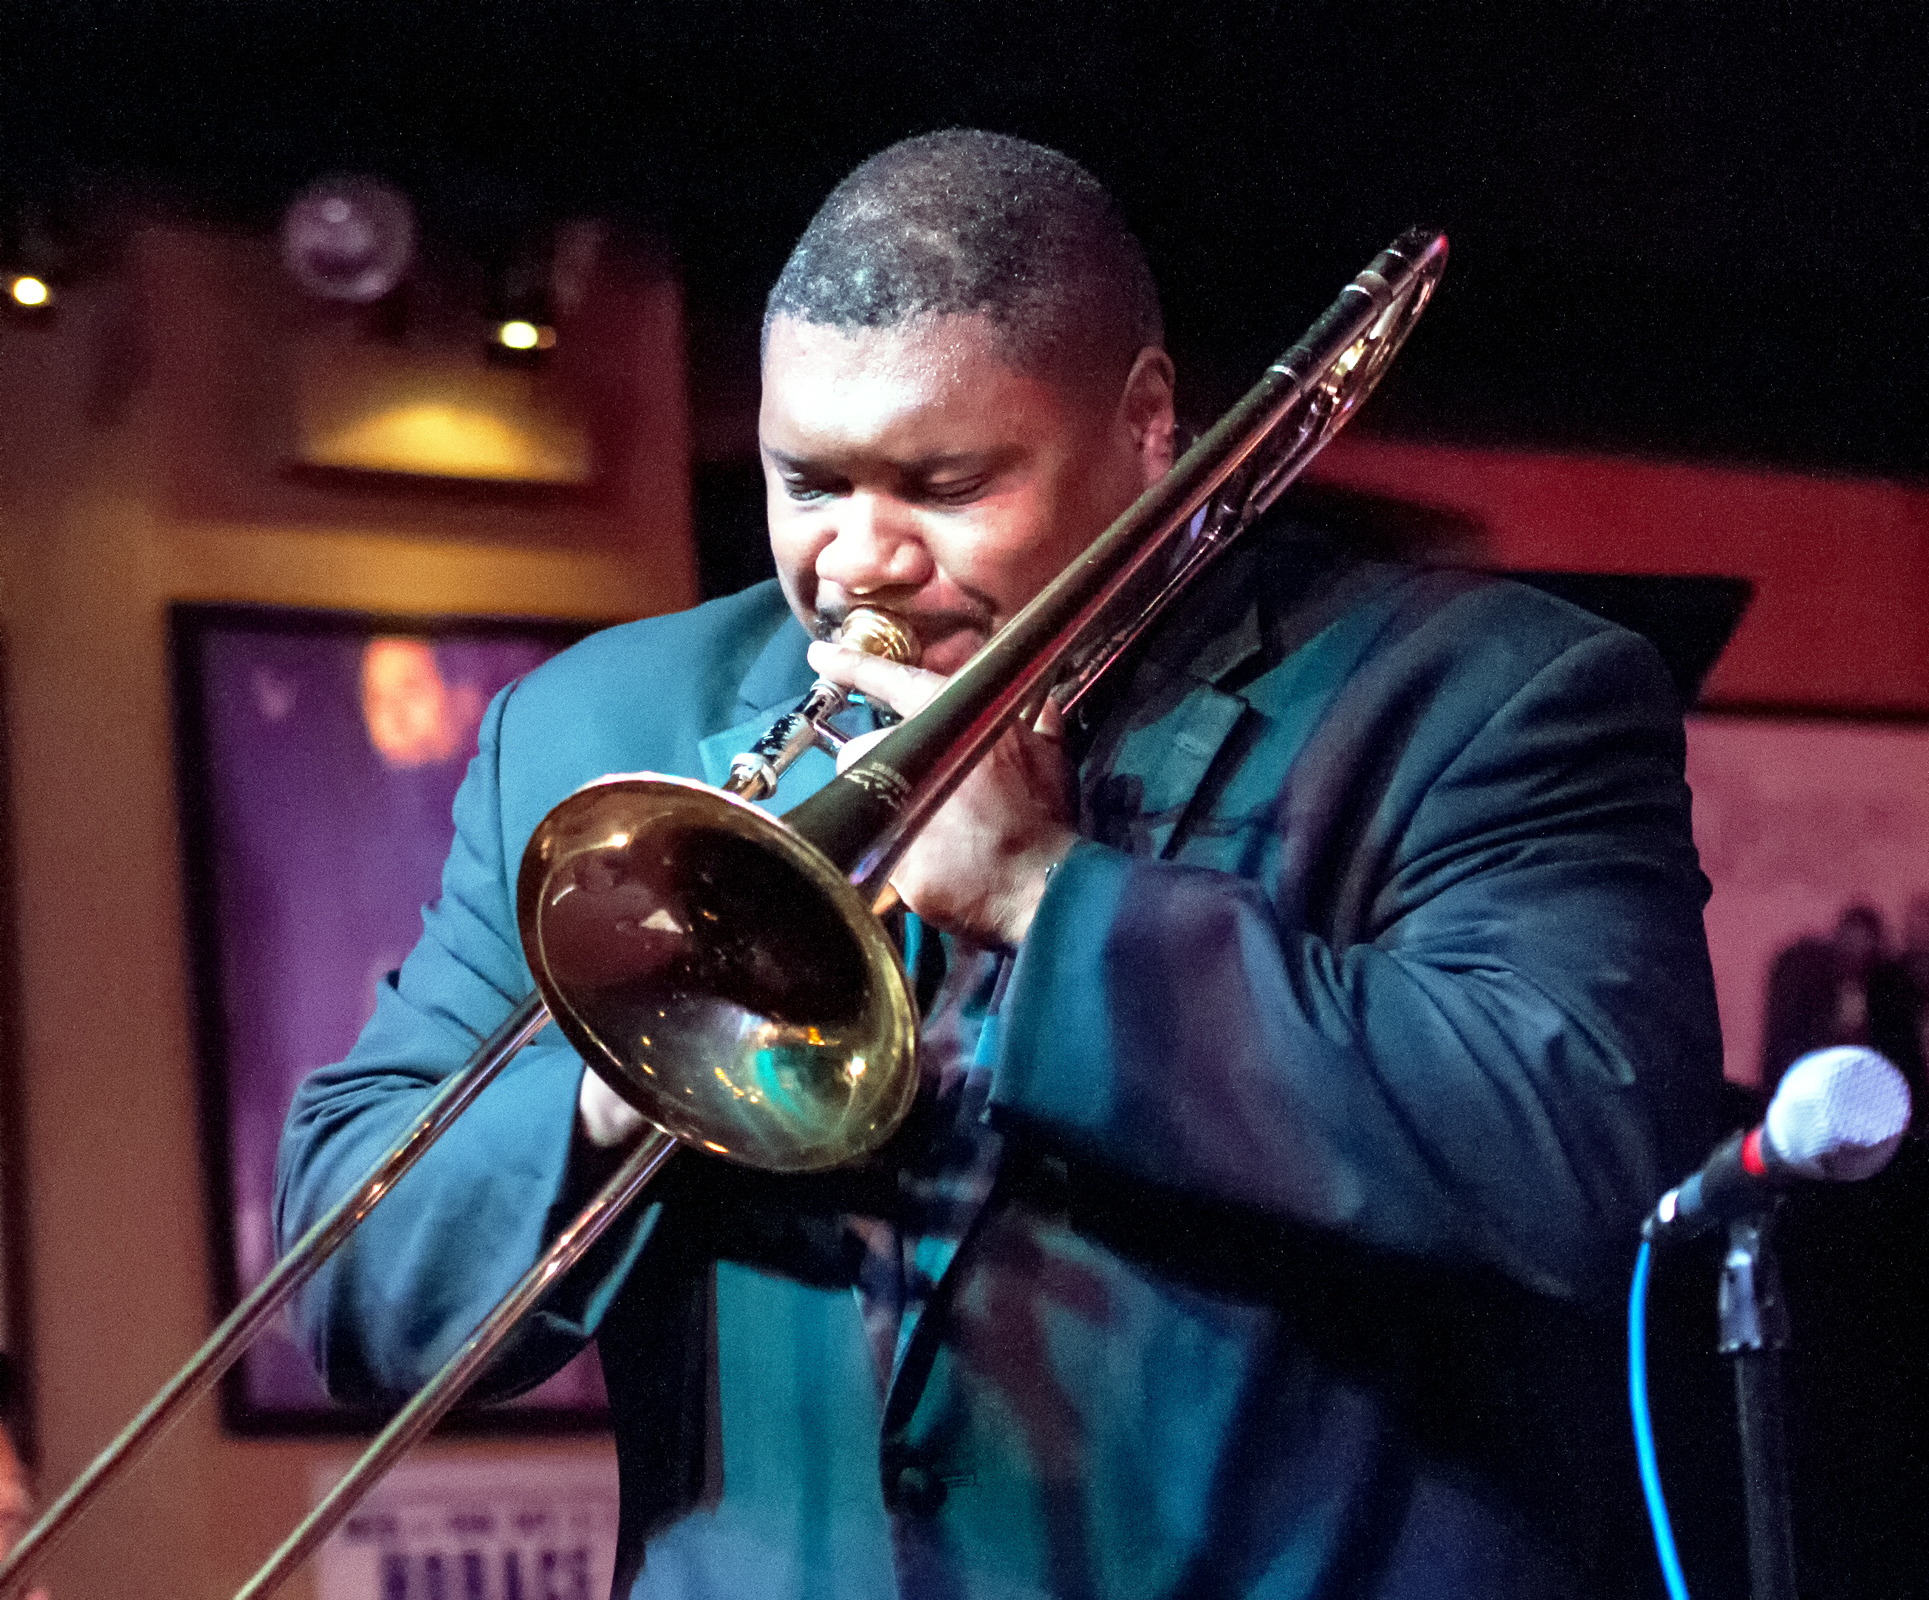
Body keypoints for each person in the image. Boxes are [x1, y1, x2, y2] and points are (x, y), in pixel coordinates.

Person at [277, 131, 1723, 1599]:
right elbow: (347, 1291)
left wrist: (1050, 893)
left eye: (943, 483)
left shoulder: (1478, 697)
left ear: (1145, 421)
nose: (857, 561)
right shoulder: (599, 726)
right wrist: (628, 1051)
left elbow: (1586, 1155)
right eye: (810, 484)